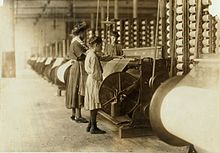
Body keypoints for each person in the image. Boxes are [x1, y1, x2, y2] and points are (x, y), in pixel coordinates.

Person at [65, 21, 89, 123]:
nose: (86, 35)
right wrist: (92, 53)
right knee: (79, 88)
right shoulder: (76, 43)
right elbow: (81, 56)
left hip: (75, 67)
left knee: (74, 89)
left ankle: (74, 114)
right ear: (80, 33)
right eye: (85, 33)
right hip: (78, 67)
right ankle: (78, 116)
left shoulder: (75, 42)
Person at [84, 36, 106, 134]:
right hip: (94, 81)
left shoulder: (89, 54)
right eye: (100, 45)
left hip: (90, 80)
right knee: (95, 104)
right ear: (96, 45)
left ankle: (90, 125)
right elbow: (96, 72)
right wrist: (102, 81)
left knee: (92, 102)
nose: (101, 47)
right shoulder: (93, 56)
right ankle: (94, 127)